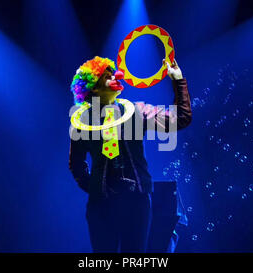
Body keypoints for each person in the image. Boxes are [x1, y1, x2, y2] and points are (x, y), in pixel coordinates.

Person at [68, 56, 192, 252]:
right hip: (101, 206)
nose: (116, 76)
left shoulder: (136, 111)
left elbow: (181, 119)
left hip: (136, 202)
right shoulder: (82, 122)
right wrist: (95, 187)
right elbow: (76, 164)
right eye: (107, 76)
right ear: (93, 88)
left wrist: (178, 80)